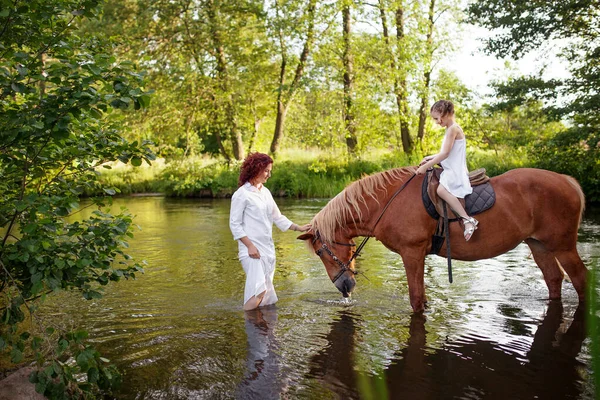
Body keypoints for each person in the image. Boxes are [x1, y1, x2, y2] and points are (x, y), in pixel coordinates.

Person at [230, 152, 311, 310]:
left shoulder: (265, 192)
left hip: (268, 250)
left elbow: (278, 217)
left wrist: (299, 228)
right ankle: (251, 327)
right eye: (266, 170)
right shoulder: (241, 195)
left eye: (270, 171)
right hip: (252, 252)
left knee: (266, 296)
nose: (269, 174)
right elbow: (235, 224)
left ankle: (264, 330)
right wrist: (250, 246)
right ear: (256, 170)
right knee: (259, 291)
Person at [416, 100, 479, 241]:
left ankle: (467, 219)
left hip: (455, 171)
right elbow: (446, 152)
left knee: (441, 190)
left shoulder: (453, 129)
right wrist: (428, 158)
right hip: (450, 168)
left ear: (446, 114)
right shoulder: (449, 129)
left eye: (437, 118)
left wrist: (426, 166)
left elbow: (445, 154)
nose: (437, 122)